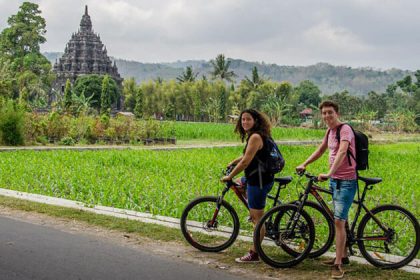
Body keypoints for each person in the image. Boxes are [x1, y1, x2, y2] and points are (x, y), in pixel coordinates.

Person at [296, 100, 357, 279]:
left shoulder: (345, 129)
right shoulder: (329, 131)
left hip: (346, 181)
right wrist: (305, 163)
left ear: (337, 113)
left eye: (330, 112)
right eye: (324, 113)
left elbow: (342, 152)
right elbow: (321, 150)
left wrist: (329, 173)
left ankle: (338, 264)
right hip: (335, 181)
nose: (327, 116)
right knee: (340, 218)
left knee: (338, 221)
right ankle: (343, 255)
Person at [221, 108, 275, 263]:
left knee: (258, 221)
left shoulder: (256, 137)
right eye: (243, 119)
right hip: (256, 178)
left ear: (255, 121)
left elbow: (246, 161)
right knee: (239, 184)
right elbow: (248, 155)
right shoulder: (257, 135)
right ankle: (253, 210)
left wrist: (230, 176)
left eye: (248, 119)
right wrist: (233, 162)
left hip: (258, 181)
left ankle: (255, 253)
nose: (245, 122)